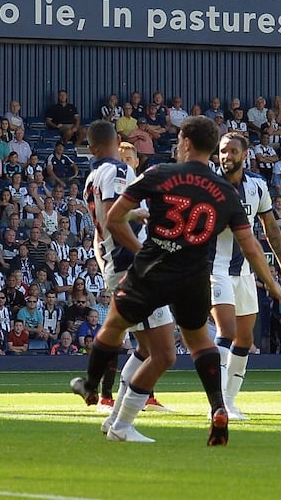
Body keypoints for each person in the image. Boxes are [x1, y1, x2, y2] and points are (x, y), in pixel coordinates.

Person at [72, 117, 281, 445]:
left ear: (185, 142)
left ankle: (94, 389)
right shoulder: (226, 193)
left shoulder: (159, 174)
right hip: (194, 275)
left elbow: (113, 216)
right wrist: (272, 285)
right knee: (200, 343)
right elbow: (252, 246)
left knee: (115, 329)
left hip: (152, 269)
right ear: (213, 148)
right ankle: (218, 405)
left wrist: (141, 241)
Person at [83, 122, 173, 428]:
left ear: (91, 148)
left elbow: (109, 219)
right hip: (131, 265)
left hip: (117, 263)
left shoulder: (92, 177)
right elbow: (114, 218)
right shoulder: (118, 172)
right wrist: (143, 254)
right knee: (163, 353)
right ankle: (120, 423)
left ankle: (115, 417)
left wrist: (136, 214)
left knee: (147, 349)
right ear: (118, 141)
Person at [210, 132, 281, 421]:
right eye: (223, 151)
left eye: (233, 151)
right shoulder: (211, 186)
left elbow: (271, 229)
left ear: (244, 155)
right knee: (227, 331)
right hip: (216, 268)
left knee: (245, 338)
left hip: (246, 271)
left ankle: (231, 401)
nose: (226, 156)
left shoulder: (258, 187)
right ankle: (218, 402)